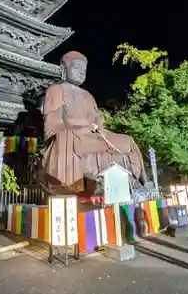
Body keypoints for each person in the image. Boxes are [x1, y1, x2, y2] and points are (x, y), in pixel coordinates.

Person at [40, 50, 147, 194]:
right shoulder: (56, 90)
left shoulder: (88, 96)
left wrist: (98, 129)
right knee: (65, 138)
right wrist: (77, 128)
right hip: (74, 136)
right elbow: (52, 124)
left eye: (84, 69)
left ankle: (135, 182)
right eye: (76, 67)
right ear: (64, 69)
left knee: (127, 141)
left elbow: (99, 125)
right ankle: (73, 185)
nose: (81, 72)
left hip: (93, 136)